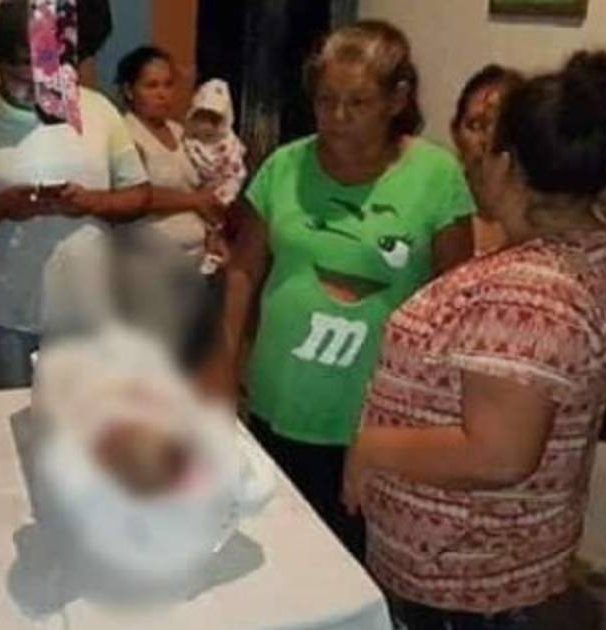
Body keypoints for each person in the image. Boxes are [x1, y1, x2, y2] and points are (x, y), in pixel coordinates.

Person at [341, 51, 606, 629]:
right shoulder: (588, 245)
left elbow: (498, 454)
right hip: (496, 557)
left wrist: (372, 448)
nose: (471, 159)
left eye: (485, 143)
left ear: (507, 162)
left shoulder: (529, 291)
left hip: (466, 580)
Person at [204, 20, 475, 561]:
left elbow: (455, 300)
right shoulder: (284, 167)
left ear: (397, 99)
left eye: (358, 102)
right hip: (282, 396)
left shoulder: (437, 177)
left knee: (353, 562)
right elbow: (243, 272)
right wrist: (224, 366)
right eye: (326, 101)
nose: (338, 118)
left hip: (376, 416)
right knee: (274, 550)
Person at [0, 0, 150, 388]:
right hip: (12, 316)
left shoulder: (99, 111)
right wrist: (2, 207)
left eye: (48, 73)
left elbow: (139, 196)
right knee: (14, 414)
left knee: (88, 416)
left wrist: (92, 202)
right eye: (22, 76)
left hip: (92, 314)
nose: (37, 88)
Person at [112, 46, 228, 362]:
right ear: (129, 90)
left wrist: (214, 230)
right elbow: (138, 196)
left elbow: (206, 185)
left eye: (168, 84)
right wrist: (194, 201)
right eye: (151, 86)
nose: (162, 94)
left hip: (195, 265)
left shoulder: (182, 132)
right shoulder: (124, 134)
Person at [450, 64, 524, 254]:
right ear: (455, 132)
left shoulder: (540, 214)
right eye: (476, 125)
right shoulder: (442, 204)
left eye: (500, 127)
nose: (487, 140)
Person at [183, 78, 248, 209]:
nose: (208, 127)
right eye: (203, 120)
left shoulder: (229, 143)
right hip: (195, 193)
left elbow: (235, 172)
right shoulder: (188, 141)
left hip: (223, 187)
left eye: (214, 121)